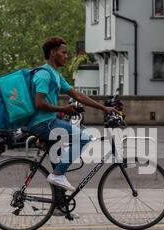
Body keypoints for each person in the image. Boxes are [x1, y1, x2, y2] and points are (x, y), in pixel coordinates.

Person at [28, 36, 117, 217]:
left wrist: (103, 108)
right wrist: (64, 109)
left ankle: (60, 206)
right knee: (84, 137)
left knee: (58, 162)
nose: (66, 56)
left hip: (48, 123)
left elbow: (78, 95)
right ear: (53, 53)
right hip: (44, 123)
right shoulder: (44, 75)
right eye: (63, 52)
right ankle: (58, 175)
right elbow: (39, 103)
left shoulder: (55, 76)